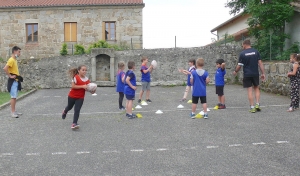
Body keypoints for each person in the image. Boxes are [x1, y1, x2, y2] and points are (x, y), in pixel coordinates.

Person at [233, 39, 265, 113]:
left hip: (247, 74)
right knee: (256, 88)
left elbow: (239, 66)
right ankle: (257, 104)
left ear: (245, 44)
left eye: (242, 45)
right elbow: (260, 63)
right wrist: (263, 73)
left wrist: (235, 71)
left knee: (250, 90)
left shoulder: (242, 53)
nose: (242, 47)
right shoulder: (256, 52)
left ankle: (252, 107)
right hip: (255, 73)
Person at [62, 65, 94, 129]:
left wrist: (92, 91)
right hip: (72, 96)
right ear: (79, 71)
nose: (84, 71)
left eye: (85, 70)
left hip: (80, 97)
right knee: (69, 107)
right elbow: (73, 86)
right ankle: (65, 111)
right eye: (83, 70)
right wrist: (82, 86)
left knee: (77, 109)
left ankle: (74, 123)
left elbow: (87, 88)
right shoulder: (75, 77)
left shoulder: (87, 79)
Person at [3, 46, 22, 118]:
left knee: (15, 97)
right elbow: (5, 68)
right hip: (13, 81)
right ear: (15, 51)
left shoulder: (15, 60)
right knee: (13, 97)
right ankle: (12, 112)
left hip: (16, 80)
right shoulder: (11, 60)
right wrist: (10, 76)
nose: (19, 53)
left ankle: (14, 111)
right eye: (19, 52)